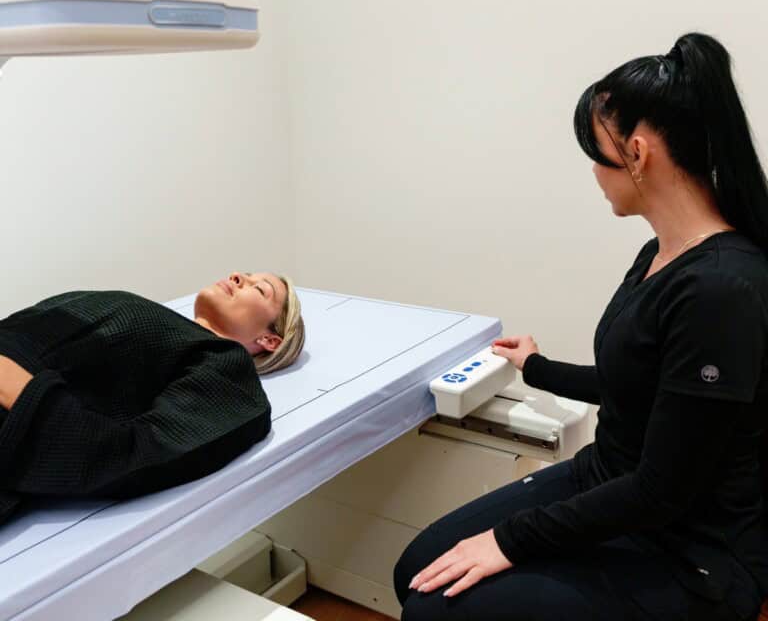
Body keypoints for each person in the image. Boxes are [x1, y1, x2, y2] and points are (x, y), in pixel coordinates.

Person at [394, 33, 768, 621]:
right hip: (612, 482)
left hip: (689, 551)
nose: (594, 171)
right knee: (415, 569)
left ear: (638, 153)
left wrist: (508, 541)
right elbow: (641, 386)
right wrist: (535, 367)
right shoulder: (659, 255)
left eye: (597, 152)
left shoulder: (721, 288)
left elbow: (663, 491)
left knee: (433, 609)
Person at [0, 271, 305, 524]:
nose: (238, 276)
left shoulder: (225, 367)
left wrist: (15, 386)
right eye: (246, 274)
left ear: (269, 340)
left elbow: (127, 456)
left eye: (259, 289)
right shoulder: (165, 324)